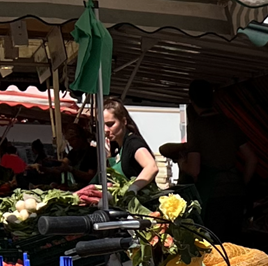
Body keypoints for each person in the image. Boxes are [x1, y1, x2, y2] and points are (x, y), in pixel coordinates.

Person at [171, 79, 257, 244]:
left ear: (191, 100)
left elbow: (194, 169)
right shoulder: (229, 123)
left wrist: (182, 163)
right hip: (236, 194)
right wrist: (241, 183)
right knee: (235, 248)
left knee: (214, 247)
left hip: (212, 197)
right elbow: (252, 159)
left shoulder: (197, 126)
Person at [103, 99, 158, 195]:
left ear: (123, 121)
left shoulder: (133, 142)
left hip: (142, 202)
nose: (105, 130)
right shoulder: (117, 146)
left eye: (110, 124)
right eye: (101, 125)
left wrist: (133, 188)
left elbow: (151, 167)